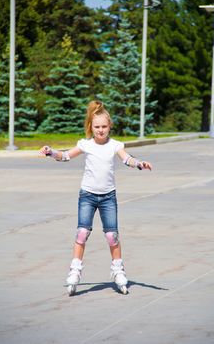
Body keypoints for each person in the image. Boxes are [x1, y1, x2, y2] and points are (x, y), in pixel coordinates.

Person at [39, 100, 152, 296]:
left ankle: (118, 271)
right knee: (82, 233)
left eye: (104, 127)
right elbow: (65, 156)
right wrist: (51, 152)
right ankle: (75, 271)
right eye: (97, 127)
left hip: (108, 196)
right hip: (87, 195)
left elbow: (127, 159)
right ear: (91, 127)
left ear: (110, 127)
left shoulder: (115, 145)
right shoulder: (86, 144)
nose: (100, 130)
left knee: (112, 236)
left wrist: (140, 163)